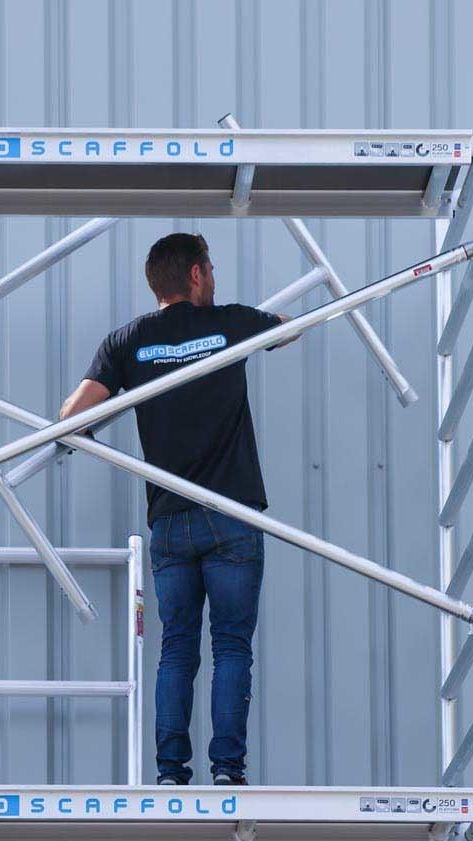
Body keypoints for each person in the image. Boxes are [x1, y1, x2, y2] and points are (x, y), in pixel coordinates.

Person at [60, 233, 297, 786]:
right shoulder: (231, 323)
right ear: (196, 274)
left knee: (177, 649)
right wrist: (264, 323)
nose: (213, 279)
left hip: (170, 518)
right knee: (231, 646)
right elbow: (291, 329)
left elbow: (72, 416)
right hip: (232, 514)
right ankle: (227, 771)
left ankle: (170, 772)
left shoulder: (128, 341)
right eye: (210, 270)